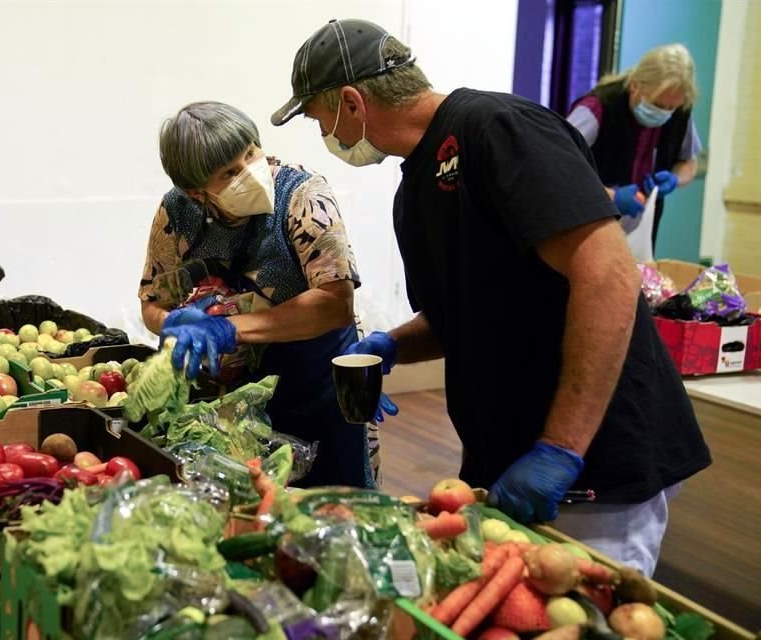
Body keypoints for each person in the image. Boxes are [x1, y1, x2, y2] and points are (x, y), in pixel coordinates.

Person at [271, 19, 711, 575]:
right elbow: (461, 314)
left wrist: (562, 448)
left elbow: (609, 278)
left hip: (592, 461)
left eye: (318, 118)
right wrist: (393, 346)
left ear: (352, 103)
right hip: (503, 454)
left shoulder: (499, 129)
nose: (323, 137)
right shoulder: (414, 190)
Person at [139, 101, 395, 489]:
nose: (250, 172)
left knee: (334, 505)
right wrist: (172, 322)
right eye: (229, 173)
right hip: (229, 405)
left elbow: (334, 304)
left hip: (317, 385)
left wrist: (229, 329)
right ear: (196, 193)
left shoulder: (304, 196)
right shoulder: (178, 213)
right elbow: (152, 301)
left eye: (250, 153)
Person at [567, 44, 701, 249]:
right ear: (635, 86)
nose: (663, 113)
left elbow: (689, 162)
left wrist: (675, 179)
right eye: (656, 104)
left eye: (670, 108)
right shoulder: (597, 109)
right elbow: (558, 169)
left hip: (640, 237)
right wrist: (611, 196)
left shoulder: (680, 114)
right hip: (588, 230)